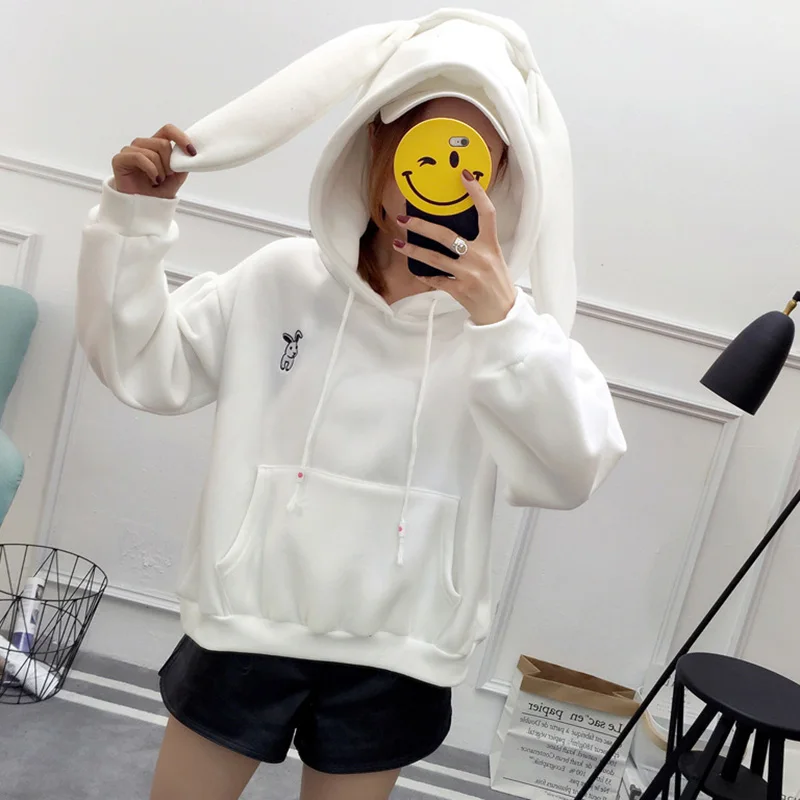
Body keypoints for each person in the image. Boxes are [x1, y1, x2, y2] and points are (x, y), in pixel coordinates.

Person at [75, 9, 626, 800]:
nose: (439, 181)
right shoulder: (281, 279)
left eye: (470, 161)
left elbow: (573, 470)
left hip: (398, 649)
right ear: (375, 140)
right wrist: (134, 221)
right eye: (421, 147)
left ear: (504, 173)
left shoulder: (505, 331)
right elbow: (143, 368)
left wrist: (503, 321)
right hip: (244, 620)